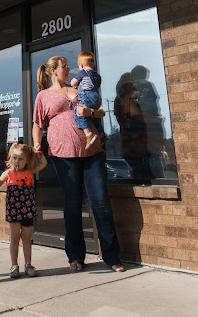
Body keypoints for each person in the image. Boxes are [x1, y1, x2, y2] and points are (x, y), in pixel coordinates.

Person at [33, 56, 125, 273]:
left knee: (100, 203)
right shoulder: (43, 96)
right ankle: (75, 256)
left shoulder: (79, 90)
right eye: (65, 67)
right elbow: (38, 123)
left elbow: (100, 112)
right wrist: (37, 144)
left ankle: (111, 256)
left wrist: (89, 113)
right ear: (54, 71)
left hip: (92, 152)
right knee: (72, 206)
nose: (69, 70)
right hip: (63, 156)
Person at [0, 142, 47, 278]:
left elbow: (43, 164)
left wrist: (38, 155)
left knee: (26, 238)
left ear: (27, 161)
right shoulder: (9, 173)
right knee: (14, 238)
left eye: (20, 159)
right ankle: (14, 265)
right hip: (13, 210)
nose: (17, 161)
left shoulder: (29, 172)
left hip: (27, 210)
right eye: (14, 158)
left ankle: (28, 264)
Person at [70, 51, 104, 149]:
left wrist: (76, 84)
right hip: (97, 100)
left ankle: (89, 134)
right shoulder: (97, 75)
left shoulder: (83, 72)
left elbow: (73, 83)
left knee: (79, 111)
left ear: (81, 65)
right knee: (95, 117)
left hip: (87, 98)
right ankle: (101, 134)